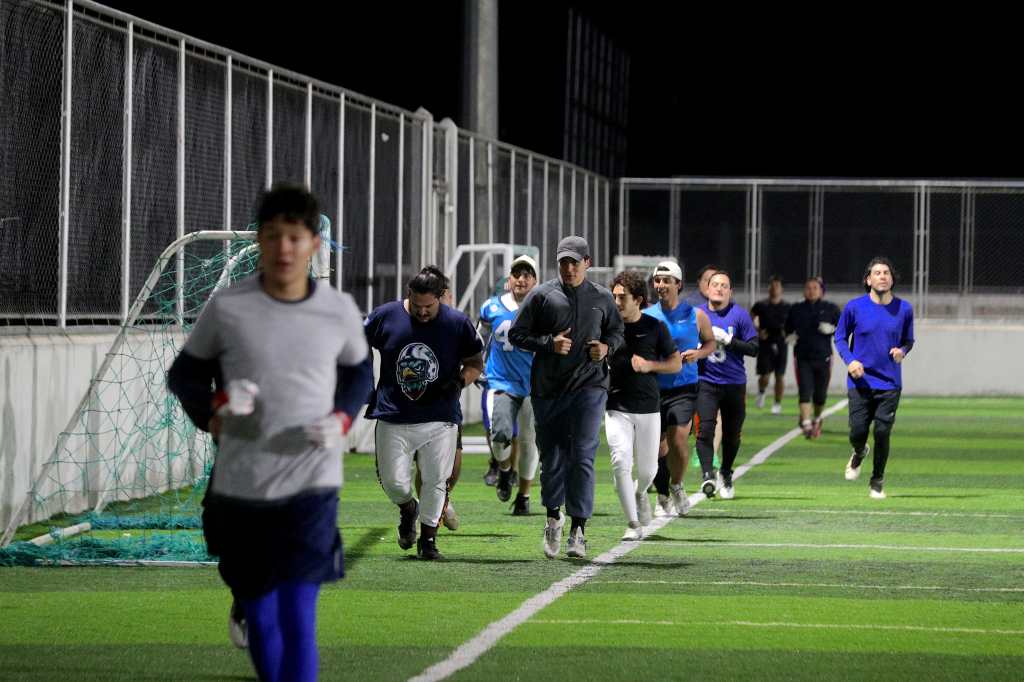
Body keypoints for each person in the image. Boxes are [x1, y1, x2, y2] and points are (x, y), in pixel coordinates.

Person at [167, 183, 372, 682]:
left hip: (311, 486)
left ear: (314, 245)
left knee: (299, 615)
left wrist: (343, 418)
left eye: (296, 237)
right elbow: (185, 376)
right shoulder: (228, 309)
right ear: (258, 240)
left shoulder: (339, 309)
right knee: (260, 616)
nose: (284, 248)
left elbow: (359, 373)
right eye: (273, 236)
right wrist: (214, 409)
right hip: (242, 488)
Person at [509, 235, 624, 559]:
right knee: (553, 459)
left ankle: (579, 528)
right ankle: (552, 517)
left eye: (575, 261)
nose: (569, 268)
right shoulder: (541, 296)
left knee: (583, 454)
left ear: (588, 262)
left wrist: (606, 348)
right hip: (548, 390)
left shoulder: (602, 298)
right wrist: (548, 343)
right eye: (564, 262)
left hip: (590, 387)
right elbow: (516, 334)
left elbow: (616, 333)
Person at [363, 266, 484, 559]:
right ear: (409, 295)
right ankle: (408, 507)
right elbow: (356, 344)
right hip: (393, 413)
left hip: (440, 417)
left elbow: (475, 362)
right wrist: (364, 379)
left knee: (436, 480)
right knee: (393, 482)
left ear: (441, 298)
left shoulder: (457, 323)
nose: (422, 312)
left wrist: (459, 381)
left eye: (428, 306)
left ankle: (428, 540)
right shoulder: (385, 316)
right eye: (417, 306)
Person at [606, 270, 682, 539]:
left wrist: (650, 365)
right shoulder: (606, 326)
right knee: (620, 461)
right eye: (613, 296)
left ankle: (641, 493)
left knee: (648, 470)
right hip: (615, 407)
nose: (616, 302)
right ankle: (632, 524)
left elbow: (676, 362)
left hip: (649, 407)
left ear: (637, 299)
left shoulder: (654, 327)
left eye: (622, 297)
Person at [834, 257, 914, 499]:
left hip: (889, 384)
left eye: (886, 272)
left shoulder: (904, 309)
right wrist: (851, 361)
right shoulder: (854, 307)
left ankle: (877, 481)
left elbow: (909, 340)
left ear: (892, 279)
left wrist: (902, 351)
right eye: (877, 273)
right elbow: (839, 338)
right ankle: (859, 451)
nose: (882, 276)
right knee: (857, 431)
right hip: (860, 383)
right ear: (868, 280)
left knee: (882, 432)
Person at [643, 261, 716, 517]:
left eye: (666, 280)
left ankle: (677, 485)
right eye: (657, 280)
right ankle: (662, 492)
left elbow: (710, 343)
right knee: (656, 448)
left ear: (678, 284)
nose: (660, 285)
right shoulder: (648, 316)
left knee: (678, 440)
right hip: (653, 389)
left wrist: (699, 353)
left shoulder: (695, 314)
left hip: (684, 387)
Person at [478, 255, 540, 514]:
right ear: (509, 279)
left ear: (535, 281)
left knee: (529, 442)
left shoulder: (544, 308)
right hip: (501, 380)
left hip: (534, 384)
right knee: (499, 432)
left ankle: (524, 496)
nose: (521, 279)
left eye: (527, 274)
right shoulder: (491, 306)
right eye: (517, 274)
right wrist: (476, 364)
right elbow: (478, 335)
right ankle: (504, 470)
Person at [697, 270, 758, 500]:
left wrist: (730, 341)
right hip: (706, 381)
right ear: (708, 288)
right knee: (705, 429)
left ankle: (726, 471)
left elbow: (753, 348)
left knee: (732, 435)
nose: (719, 288)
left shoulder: (739, 315)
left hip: (734, 383)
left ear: (730, 292)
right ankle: (707, 475)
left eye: (724, 285)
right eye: (715, 284)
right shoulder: (698, 314)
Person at [785, 277, 841, 438]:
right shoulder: (796, 309)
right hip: (802, 357)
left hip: (824, 357)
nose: (811, 290)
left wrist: (832, 329)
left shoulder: (830, 308)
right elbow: (787, 329)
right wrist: (790, 337)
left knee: (820, 395)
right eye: (808, 287)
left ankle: (817, 418)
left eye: (815, 288)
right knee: (804, 391)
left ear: (821, 291)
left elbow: (843, 329)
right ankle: (807, 424)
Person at [751, 276, 791, 414]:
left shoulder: (787, 307)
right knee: (765, 375)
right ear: (769, 289)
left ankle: (777, 403)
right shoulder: (761, 305)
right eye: (772, 286)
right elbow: (750, 318)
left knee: (779, 376)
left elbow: (793, 324)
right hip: (765, 344)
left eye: (777, 286)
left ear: (781, 289)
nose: (774, 289)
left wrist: (789, 335)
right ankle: (762, 392)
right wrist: (757, 331)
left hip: (781, 344)